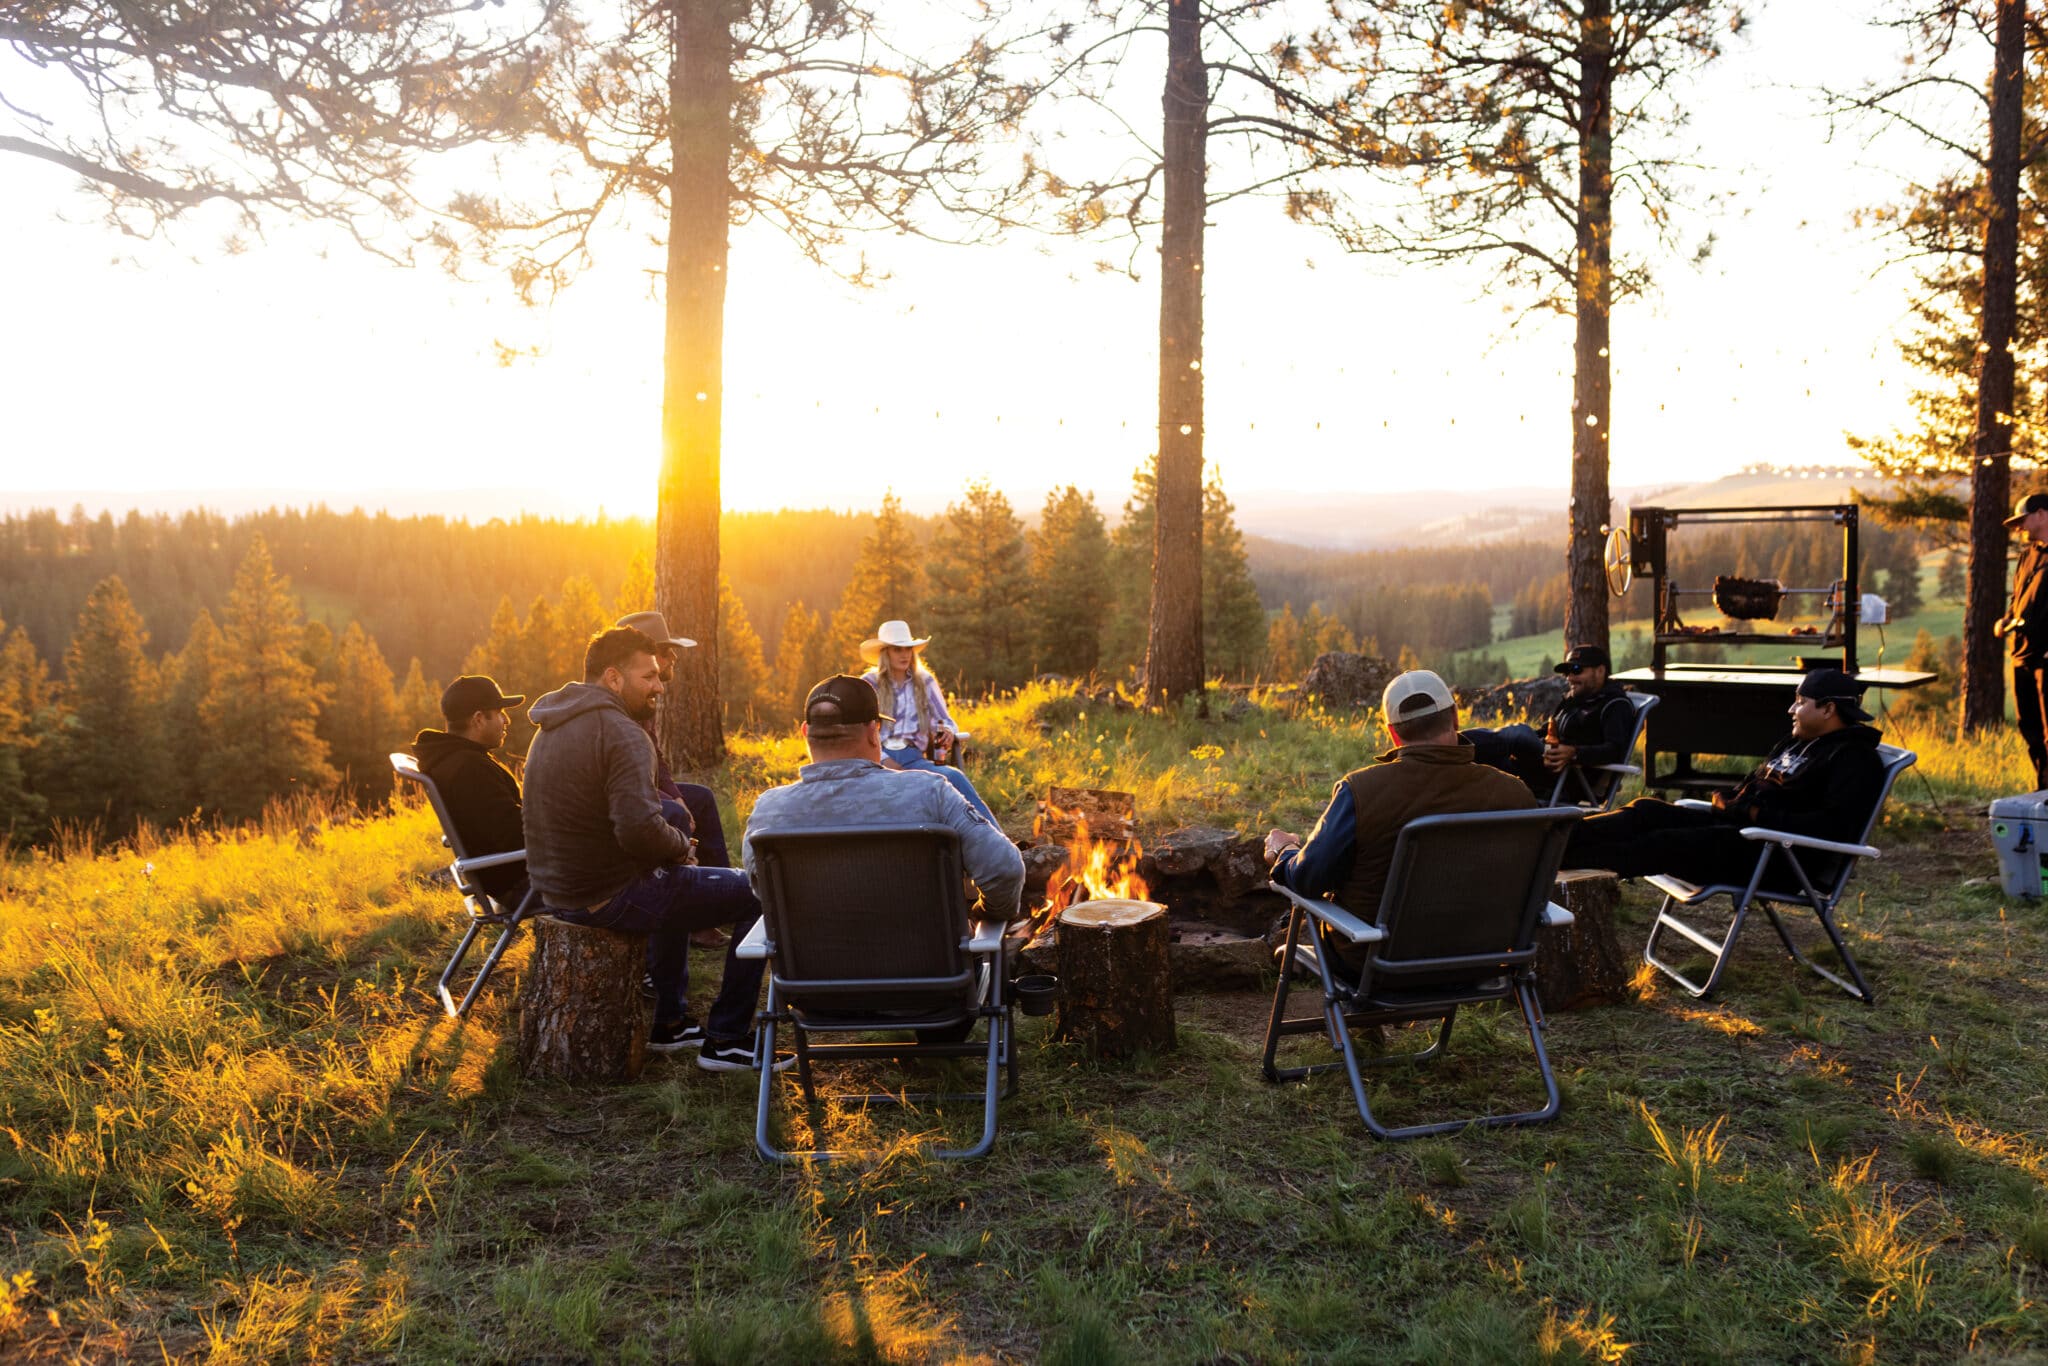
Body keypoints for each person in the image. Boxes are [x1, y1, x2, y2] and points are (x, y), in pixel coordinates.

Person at [522, 626, 782, 1071]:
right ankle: (728, 1040)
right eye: (649, 677)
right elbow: (639, 831)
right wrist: (682, 847)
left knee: (677, 884)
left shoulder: (553, 725)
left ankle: (670, 1022)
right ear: (613, 677)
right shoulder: (621, 731)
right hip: (608, 895)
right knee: (762, 892)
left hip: (560, 892)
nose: (659, 687)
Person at [743, 674, 1023, 1042]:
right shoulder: (930, 792)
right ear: (875, 732)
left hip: (816, 993)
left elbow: (765, 894)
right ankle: (940, 1044)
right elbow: (1004, 869)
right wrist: (988, 913)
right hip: (934, 989)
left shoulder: (769, 812)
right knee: (976, 950)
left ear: (805, 731)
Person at [1264, 669, 1538, 970]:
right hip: (1481, 962)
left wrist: (1284, 851)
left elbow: (1308, 880)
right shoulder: (1515, 794)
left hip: (1377, 966)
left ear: (1392, 733)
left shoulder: (1360, 792)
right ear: (1456, 718)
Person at [1562, 668, 1887, 887]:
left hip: (1780, 858)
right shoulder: (1797, 742)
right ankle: (1549, 840)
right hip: (1743, 832)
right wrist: (1731, 798)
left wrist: (1759, 814)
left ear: (1829, 709)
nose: (1791, 709)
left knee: (1661, 844)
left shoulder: (1855, 760)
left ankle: (1551, 866)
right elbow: (1755, 783)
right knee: (1648, 810)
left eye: (1801, 702)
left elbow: (1834, 829)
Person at [615, 610, 730, 947]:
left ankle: (714, 903)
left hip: (649, 789)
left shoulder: (646, 695)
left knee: (699, 799)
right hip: (631, 798)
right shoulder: (627, 702)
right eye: (666, 651)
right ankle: (683, 918)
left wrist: (674, 793)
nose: (673, 658)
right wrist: (669, 801)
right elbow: (628, 779)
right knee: (677, 816)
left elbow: (656, 756)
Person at [859, 619, 999, 825]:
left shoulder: (924, 682)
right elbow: (860, 730)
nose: (905, 654)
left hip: (915, 759)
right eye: (898, 649)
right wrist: (883, 759)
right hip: (877, 761)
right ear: (885, 653)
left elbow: (946, 720)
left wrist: (948, 731)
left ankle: (997, 840)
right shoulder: (870, 684)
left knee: (954, 776)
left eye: (908, 649)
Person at [1461, 644, 1637, 799]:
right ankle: (1446, 759)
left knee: (1518, 733)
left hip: (1571, 776)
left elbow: (1615, 750)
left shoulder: (1615, 705)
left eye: (1577, 670)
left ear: (1600, 671)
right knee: (1488, 763)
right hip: (1547, 759)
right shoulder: (1576, 699)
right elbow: (1548, 730)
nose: (1570, 677)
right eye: (1567, 672)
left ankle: (1451, 744)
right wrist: (1531, 741)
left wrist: (1574, 753)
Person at [410, 675, 527, 904]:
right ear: (479, 719)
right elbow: (514, 836)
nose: (507, 721)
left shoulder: (452, 759)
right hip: (522, 884)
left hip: (506, 876)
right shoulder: (470, 769)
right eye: (500, 713)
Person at [1998, 493, 2048, 789]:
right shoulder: (2027, 555)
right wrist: (2005, 620)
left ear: (2041, 514)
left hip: (2047, 659)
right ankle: (2042, 791)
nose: (2019, 527)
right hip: (2022, 655)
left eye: (2022, 520)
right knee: (2029, 727)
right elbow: (2017, 597)